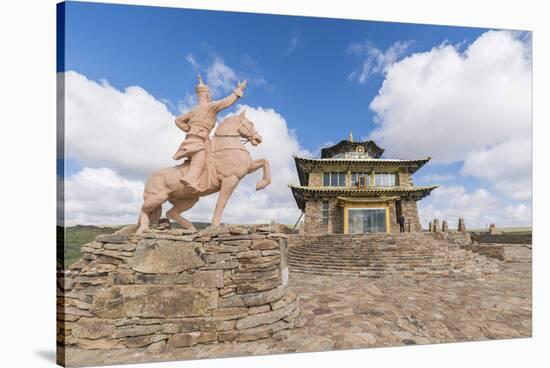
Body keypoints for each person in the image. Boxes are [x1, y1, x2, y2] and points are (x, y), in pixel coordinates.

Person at [173, 75, 247, 193]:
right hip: (198, 140)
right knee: (200, 157)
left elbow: (178, 120)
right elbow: (225, 102)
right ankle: (190, 179)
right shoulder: (210, 106)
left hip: (194, 139)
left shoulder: (193, 111)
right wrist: (239, 90)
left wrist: (190, 129)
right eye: (210, 95)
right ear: (207, 95)